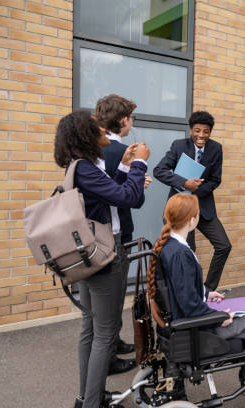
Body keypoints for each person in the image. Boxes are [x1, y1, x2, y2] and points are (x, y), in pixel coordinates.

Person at [54, 111, 150, 408]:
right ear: (86, 135)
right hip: (103, 257)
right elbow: (127, 198)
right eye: (97, 127)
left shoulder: (77, 167)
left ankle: (87, 397)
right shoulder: (84, 169)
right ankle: (93, 403)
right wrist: (140, 163)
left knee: (90, 329)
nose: (103, 130)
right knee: (104, 335)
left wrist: (123, 168)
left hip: (88, 256)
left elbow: (108, 194)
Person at [147, 193, 245, 353]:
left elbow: (180, 287)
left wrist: (205, 293)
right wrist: (218, 318)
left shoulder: (168, 244)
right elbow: (190, 305)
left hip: (183, 320)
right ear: (191, 220)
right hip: (195, 329)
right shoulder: (180, 253)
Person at [95, 94, 153, 375]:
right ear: (124, 120)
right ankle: (109, 354)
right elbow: (132, 199)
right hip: (116, 233)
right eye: (131, 118)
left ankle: (113, 343)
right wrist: (139, 183)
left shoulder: (98, 149)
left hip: (99, 233)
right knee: (115, 294)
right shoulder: (119, 151)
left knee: (109, 298)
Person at [153, 111, 231, 292]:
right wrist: (183, 183)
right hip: (180, 208)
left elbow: (215, 180)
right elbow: (159, 170)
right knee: (187, 251)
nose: (201, 135)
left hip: (203, 207)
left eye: (206, 131)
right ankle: (186, 293)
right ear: (190, 130)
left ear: (210, 132)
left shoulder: (216, 148)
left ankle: (208, 289)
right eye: (197, 130)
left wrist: (196, 189)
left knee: (224, 246)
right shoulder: (179, 146)